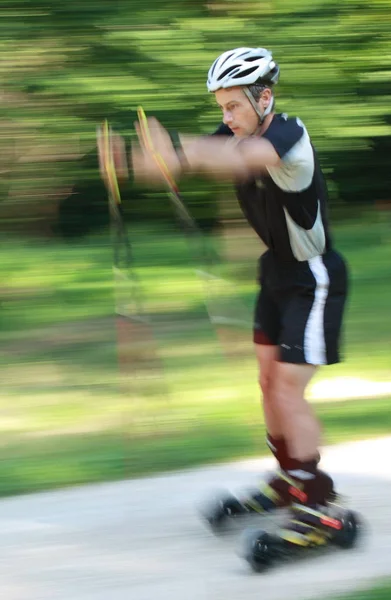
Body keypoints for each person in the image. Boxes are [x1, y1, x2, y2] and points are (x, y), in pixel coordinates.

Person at [98, 47, 349, 548]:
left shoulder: (287, 135)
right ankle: (291, 480)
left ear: (265, 98)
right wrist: (126, 163)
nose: (226, 117)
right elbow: (176, 166)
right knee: (266, 383)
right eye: (221, 107)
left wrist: (179, 149)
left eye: (233, 106)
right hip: (274, 275)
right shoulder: (232, 136)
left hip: (313, 277)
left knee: (286, 389)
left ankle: (319, 506)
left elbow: (239, 158)